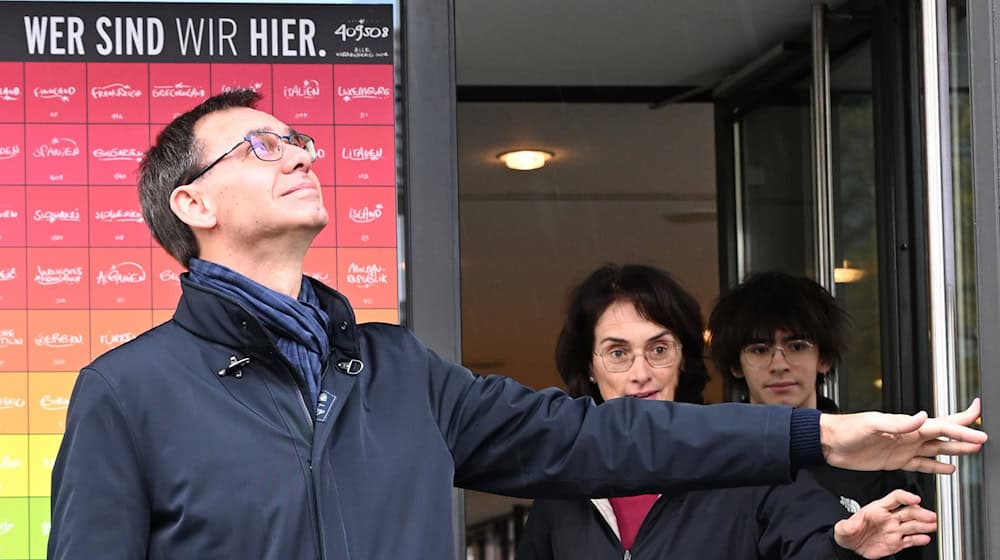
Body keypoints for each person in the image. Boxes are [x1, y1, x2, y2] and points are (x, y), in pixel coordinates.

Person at [48, 90, 986, 560]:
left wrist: (819, 433)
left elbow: (601, 435)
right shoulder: (130, 392)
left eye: (299, 139)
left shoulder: (395, 370)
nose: (298, 152)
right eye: (261, 144)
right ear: (194, 206)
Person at [516, 263, 937, 560]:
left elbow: (813, 542)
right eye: (617, 352)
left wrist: (845, 550)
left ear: (684, 359)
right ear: (589, 366)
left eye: (659, 349)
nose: (640, 373)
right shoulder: (562, 489)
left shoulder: (744, 460)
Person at [708, 271, 932, 559]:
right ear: (736, 365)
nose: (779, 364)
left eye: (797, 346)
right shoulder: (717, 462)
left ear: (823, 358)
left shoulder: (874, 463)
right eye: (759, 349)